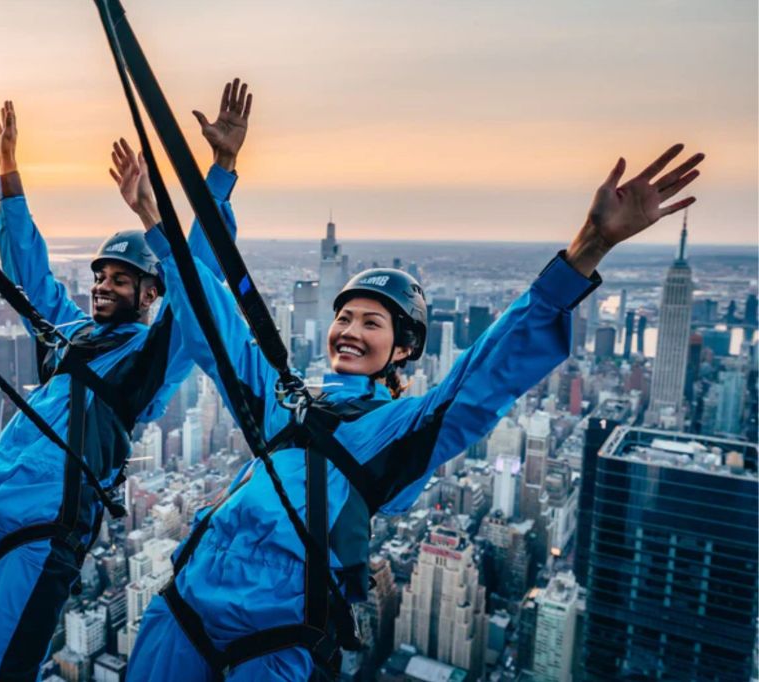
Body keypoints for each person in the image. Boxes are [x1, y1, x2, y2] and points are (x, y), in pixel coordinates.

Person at [125, 144, 704, 680]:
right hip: (184, 605)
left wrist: (588, 248)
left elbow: (483, 376)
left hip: (274, 634)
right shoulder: (282, 401)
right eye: (344, 318)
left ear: (403, 349)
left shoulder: (398, 431)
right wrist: (157, 224)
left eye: (371, 323)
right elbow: (213, 321)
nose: (350, 331)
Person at [0, 79, 254, 681]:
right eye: (99, 275)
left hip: (44, 530)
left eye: (120, 279)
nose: (102, 285)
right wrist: (8, 174)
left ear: (152, 292)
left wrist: (221, 168)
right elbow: (28, 272)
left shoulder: (151, 357)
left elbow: (196, 278)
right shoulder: (67, 333)